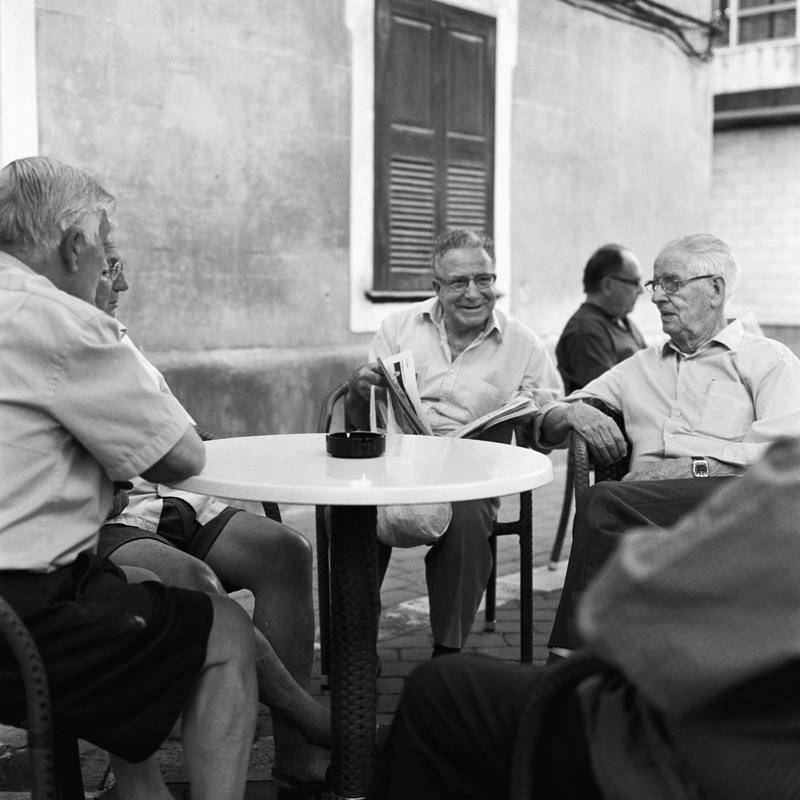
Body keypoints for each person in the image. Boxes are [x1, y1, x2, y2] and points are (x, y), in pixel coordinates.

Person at [0, 156, 257, 800]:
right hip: (18, 618)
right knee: (224, 630)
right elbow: (181, 458)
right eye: (103, 245)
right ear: (74, 244)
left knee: (134, 586)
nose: (107, 267)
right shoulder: (58, 320)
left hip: (30, 598)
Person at [367, 435, 800, 800]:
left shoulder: (784, 461)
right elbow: (555, 418)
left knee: (440, 690)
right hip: (744, 744)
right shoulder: (635, 371)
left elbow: (613, 611)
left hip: (687, 763)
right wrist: (574, 413)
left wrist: (703, 474)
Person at [94, 245, 331, 790]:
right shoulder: (65, 346)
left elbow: (180, 431)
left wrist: (202, 444)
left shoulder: (117, 336)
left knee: (285, 551)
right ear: (66, 256)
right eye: (110, 268)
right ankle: (308, 718)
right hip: (118, 517)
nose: (123, 283)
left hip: (181, 498)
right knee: (198, 586)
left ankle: (297, 757)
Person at [529, 233, 800, 655]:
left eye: (672, 283)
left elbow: (788, 454)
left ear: (715, 290)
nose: (656, 297)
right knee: (610, 508)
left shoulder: (767, 359)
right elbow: (546, 423)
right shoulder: (640, 367)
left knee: (604, 503)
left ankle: (570, 660)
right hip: (644, 502)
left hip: (732, 503)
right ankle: (627, 661)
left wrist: (694, 466)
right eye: (655, 284)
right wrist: (573, 413)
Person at [346, 227, 563, 656]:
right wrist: (360, 387)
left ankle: (447, 652)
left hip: (471, 475)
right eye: (459, 282)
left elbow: (544, 431)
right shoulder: (397, 328)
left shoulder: (524, 345)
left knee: (467, 521)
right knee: (350, 514)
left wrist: (548, 416)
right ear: (437, 288)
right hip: (398, 463)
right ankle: (356, 649)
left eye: (484, 279)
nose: (474, 293)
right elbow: (363, 417)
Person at [555, 243, 646, 393]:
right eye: (635, 282)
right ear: (608, 285)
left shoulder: (621, 319)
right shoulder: (585, 330)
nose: (641, 290)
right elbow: (607, 396)